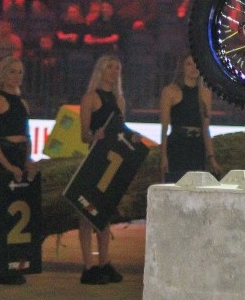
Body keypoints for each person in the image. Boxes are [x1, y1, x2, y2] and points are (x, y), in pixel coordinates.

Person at [78, 54, 151, 285]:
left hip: (112, 161)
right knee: (86, 213)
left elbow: (120, 130)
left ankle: (104, 262)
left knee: (105, 212)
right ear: (100, 70)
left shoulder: (119, 100)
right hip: (95, 159)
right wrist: (95, 136)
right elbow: (84, 135)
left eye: (117, 68)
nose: (114, 71)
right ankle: (88, 265)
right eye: (109, 67)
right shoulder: (90, 98)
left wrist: (133, 137)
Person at [0, 56, 34, 286]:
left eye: (20, 72)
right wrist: (7, 165)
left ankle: (6, 264)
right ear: (3, 74)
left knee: (13, 215)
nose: (17, 76)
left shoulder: (23, 103)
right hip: (2, 159)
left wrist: (28, 159)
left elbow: (27, 135)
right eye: (12, 71)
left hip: (18, 158)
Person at [158, 55, 217, 182]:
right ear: (182, 67)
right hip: (178, 145)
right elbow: (164, 128)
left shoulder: (205, 93)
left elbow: (206, 128)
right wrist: (163, 157)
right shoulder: (170, 91)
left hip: (197, 146)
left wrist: (211, 157)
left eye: (196, 64)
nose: (194, 68)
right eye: (189, 64)